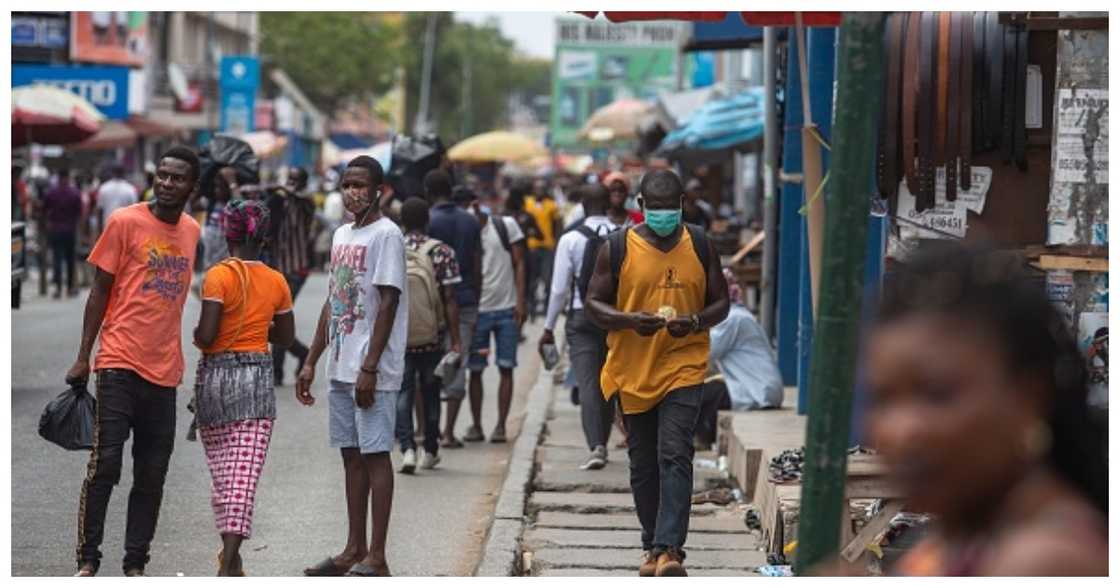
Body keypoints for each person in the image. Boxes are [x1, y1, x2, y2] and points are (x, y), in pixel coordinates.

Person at [863, 243, 1107, 576]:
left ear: (1028, 398)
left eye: (938, 394)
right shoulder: (967, 534)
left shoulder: (1042, 561)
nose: (902, 430)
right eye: (883, 399)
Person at [65, 147, 203, 577]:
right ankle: (88, 557)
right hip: (118, 360)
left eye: (177, 178)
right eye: (162, 175)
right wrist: (83, 355)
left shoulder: (192, 232)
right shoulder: (124, 221)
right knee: (105, 464)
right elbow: (99, 290)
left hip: (164, 370)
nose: (166, 183)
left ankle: (134, 563)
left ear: (190, 186)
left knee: (152, 473)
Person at [585, 169, 729, 577]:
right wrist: (630, 320)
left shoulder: (700, 243)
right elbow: (593, 304)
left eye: (672, 209)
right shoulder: (615, 247)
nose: (665, 217)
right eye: (656, 209)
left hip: (684, 363)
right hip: (632, 370)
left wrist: (697, 321)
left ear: (682, 204)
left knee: (675, 454)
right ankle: (651, 546)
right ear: (641, 207)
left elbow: (721, 302)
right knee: (643, 463)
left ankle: (671, 550)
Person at [297, 156, 408, 577]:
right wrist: (310, 360)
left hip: (371, 370)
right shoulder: (343, 233)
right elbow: (334, 300)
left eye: (360, 185)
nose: (352, 192)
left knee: (376, 455)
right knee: (351, 457)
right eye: (347, 185)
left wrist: (370, 366)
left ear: (379, 189)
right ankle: (352, 548)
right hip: (340, 366)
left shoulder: (387, 236)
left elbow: (389, 302)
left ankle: (377, 555)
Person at [192, 199, 295, 576]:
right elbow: (285, 335)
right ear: (265, 235)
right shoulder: (277, 280)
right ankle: (229, 562)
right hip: (255, 381)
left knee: (224, 477)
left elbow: (206, 337)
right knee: (243, 478)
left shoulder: (217, 277)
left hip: (214, 382)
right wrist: (257, 326)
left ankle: (230, 559)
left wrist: (198, 335)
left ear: (227, 233)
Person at [540, 185, 620, 470]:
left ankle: (596, 445)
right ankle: (606, 437)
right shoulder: (623, 234)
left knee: (587, 382)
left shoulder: (570, 239)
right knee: (610, 381)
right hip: (615, 318)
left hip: (581, 317)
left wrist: (548, 327)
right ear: (609, 204)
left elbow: (559, 289)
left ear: (584, 205)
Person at [396, 197, 463, 473]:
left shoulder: (392, 247)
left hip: (399, 336)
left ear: (402, 220)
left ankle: (408, 449)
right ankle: (430, 449)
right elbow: (449, 298)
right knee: (431, 390)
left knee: (402, 392)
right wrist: (456, 339)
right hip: (432, 336)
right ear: (427, 220)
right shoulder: (442, 251)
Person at [425, 171, 483, 449]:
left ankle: (426, 430)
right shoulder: (471, 221)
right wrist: (477, 296)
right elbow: (477, 261)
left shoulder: (429, 221)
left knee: (427, 362)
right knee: (457, 361)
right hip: (466, 299)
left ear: (428, 191)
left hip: (432, 303)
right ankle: (448, 432)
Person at [695, 268, 783, 448]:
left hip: (758, 390)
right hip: (757, 386)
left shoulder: (732, 319)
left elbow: (704, 352)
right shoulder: (736, 315)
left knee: (698, 394)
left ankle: (699, 439)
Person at [466, 190, 528, 443]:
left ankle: (501, 426)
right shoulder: (465, 232)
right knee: (476, 370)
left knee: (506, 367)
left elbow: (520, 262)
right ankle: (477, 425)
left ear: (477, 204)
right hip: (478, 313)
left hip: (507, 310)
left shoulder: (506, 225)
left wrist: (521, 302)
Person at [267, 166, 316, 386]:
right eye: (290, 179)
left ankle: (276, 372)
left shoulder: (306, 201)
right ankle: (301, 353)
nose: (291, 183)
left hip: (297, 268)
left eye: (296, 180)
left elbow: (301, 195)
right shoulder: (281, 201)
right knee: (275, 319)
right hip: (279, 268)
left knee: (279, 318)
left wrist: (284, 188)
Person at [42, 168, 84, 299]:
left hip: (56, 230)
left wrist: (46, 225)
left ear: (59, 178)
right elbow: (80, 213)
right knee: (70, 260)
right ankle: (70, 288)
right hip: (70, 231)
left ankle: (59, 289)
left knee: (57, 259)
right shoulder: (75, 193)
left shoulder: (52, 193)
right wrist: (80, 231)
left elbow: (44, 210)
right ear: (68, 177)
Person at [96, 165, 140, 233]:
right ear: (124, 173)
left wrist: (99, 231)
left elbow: (99, 211)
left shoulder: (103, 188)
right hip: (125, 229)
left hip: (108, 227)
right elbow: (135, 211)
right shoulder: (130, 189)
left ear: (113, 173)